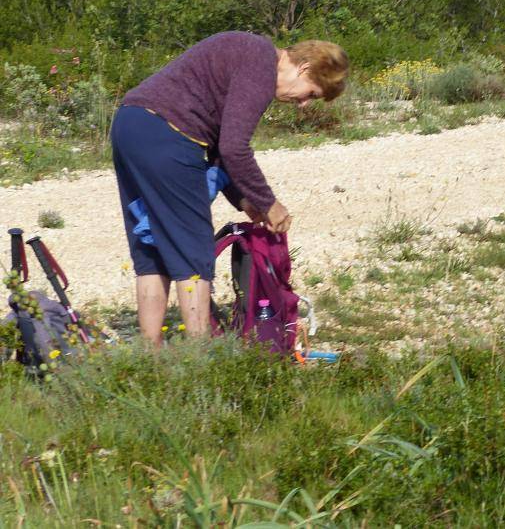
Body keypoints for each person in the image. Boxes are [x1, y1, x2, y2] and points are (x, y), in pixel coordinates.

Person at [111, 32, 348, 344]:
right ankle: (201, 360)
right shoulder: (261, 65)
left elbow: (221, 149)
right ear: (303, 68)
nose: (304, 104)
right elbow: (235, 148)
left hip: (130, 125)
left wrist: (243, 199)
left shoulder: (251, 53)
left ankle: (149, 353)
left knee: (151, 246)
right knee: (193, 254)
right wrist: (269, 203)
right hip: (169, 135)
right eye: (311, 94)